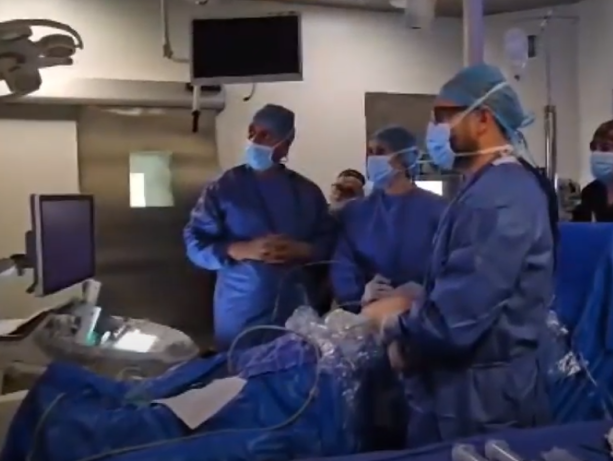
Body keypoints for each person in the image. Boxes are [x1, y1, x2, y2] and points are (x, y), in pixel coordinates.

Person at [361, 63, 559, 447]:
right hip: (463, 391)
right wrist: (418, 297)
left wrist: (394, 326)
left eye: (443, 117)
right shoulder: (482, 188)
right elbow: (467, 285)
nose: (434, 129)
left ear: (483, 118)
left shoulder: (500, 197)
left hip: (483, 402)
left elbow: (456, 322)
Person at [183, 104, 336, 348]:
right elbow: (195, 241)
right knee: (237, 368)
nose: (255, 140)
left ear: (285, 144)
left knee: (291, 365)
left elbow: (329, 242)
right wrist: (239, 249)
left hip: (295, 312)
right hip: (240, 311)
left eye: (266, 135)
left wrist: (303, 250)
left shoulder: (307, 193)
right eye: (252, 132)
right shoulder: (224, 188)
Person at [330, 125, 447, 310]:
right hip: (368, 312)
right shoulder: (356, 212)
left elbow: (452, 264)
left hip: (423, 312)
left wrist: (425, 291)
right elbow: (342, 264)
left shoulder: (439, 210)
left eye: (380, 151)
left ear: (404, 158)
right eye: (370, 152)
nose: (372, 158)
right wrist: (359, 294)